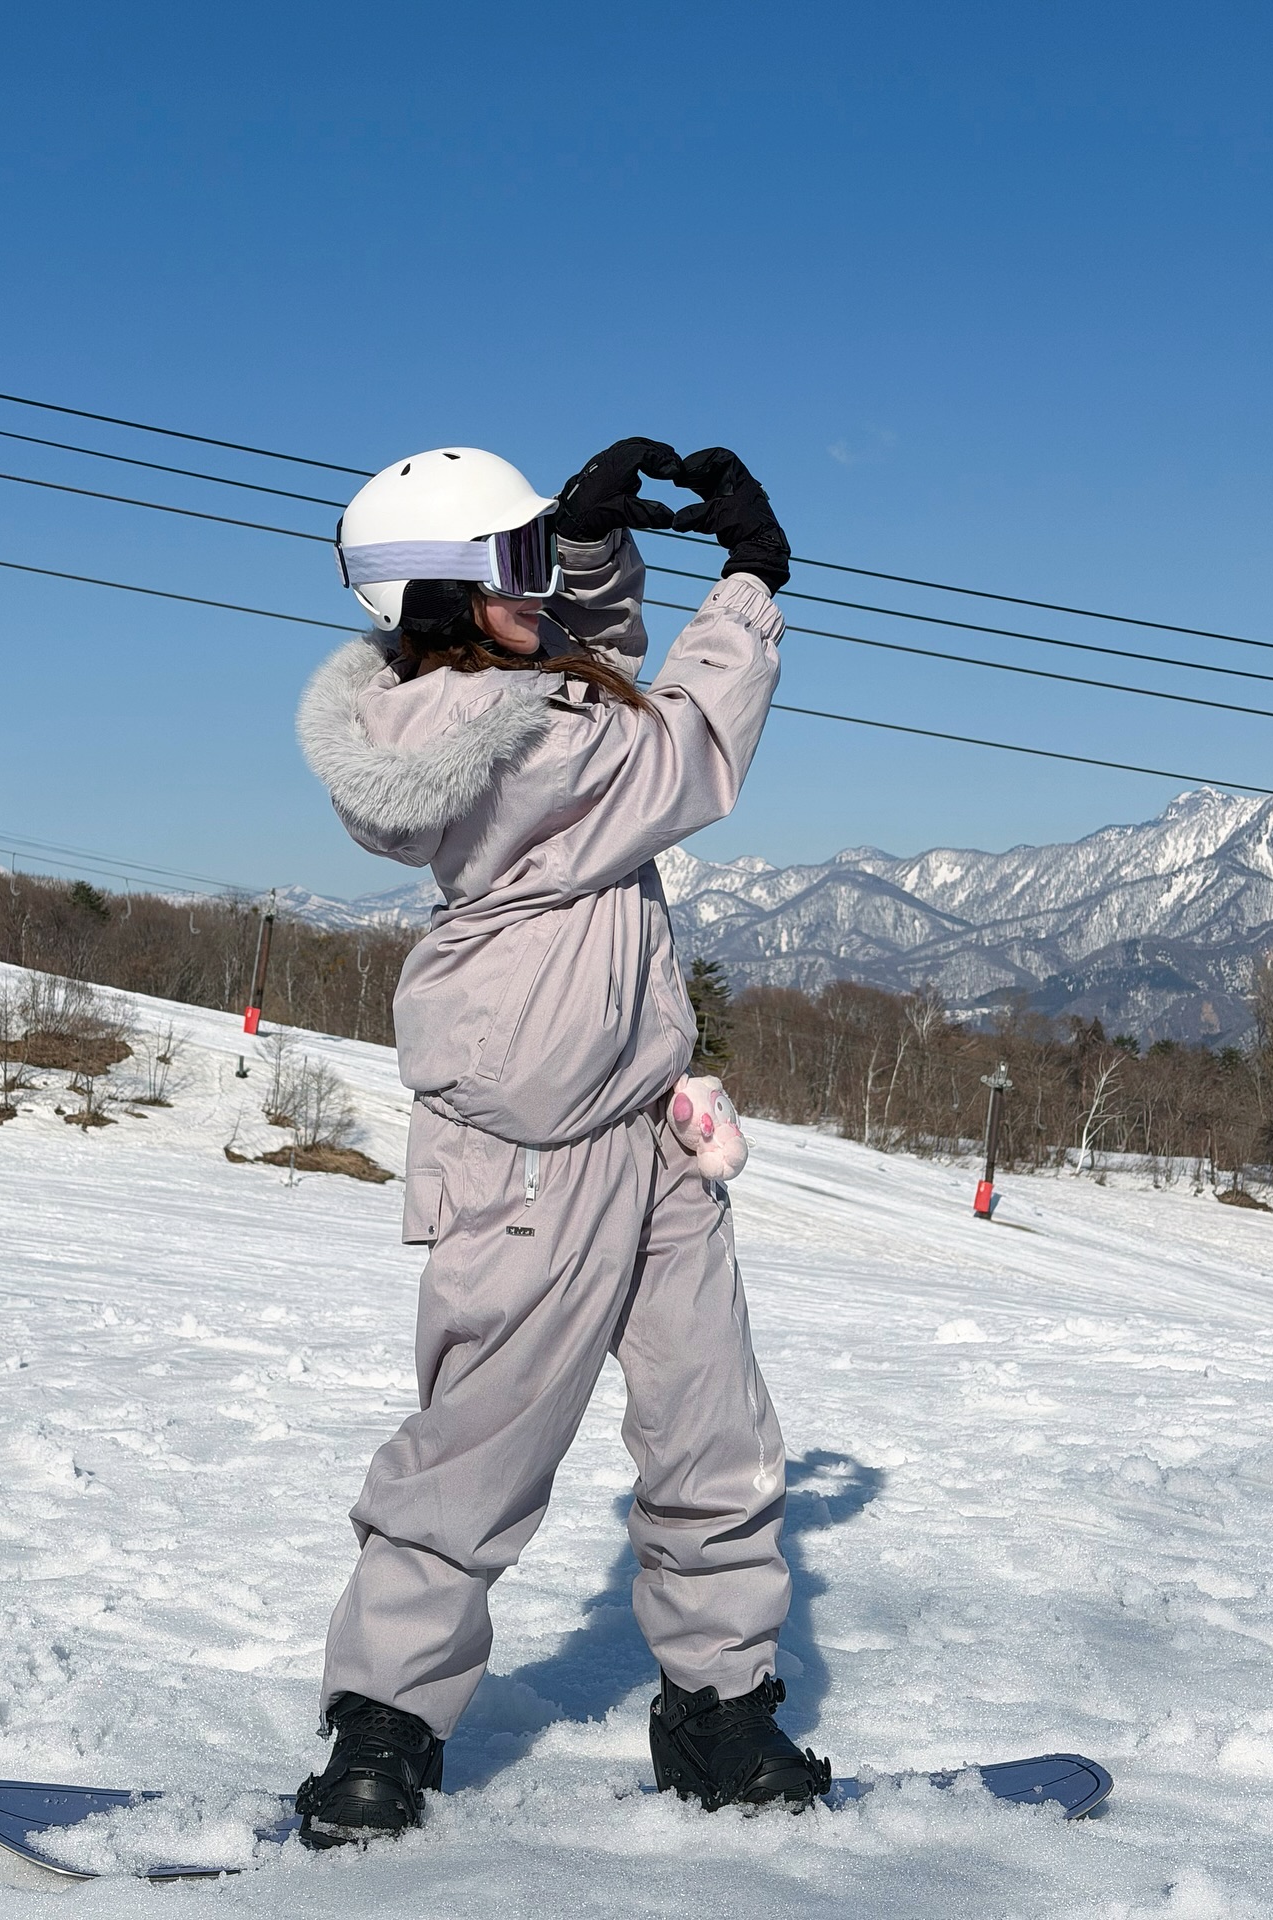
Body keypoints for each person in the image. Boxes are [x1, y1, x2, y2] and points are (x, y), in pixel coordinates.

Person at [293, 437, 829, 1845]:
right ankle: (384, 1731)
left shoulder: (507, 690)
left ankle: (719, 1712)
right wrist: (751, 587)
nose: (545, 588)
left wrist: (586, 550)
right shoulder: (479, 738)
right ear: (449, 600)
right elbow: (683, 752)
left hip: (645, 1127)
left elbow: (584, 668)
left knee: (714, 1440)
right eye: (520, 563)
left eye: (545, 557)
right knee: (476, 1451)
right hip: (531, 1148)